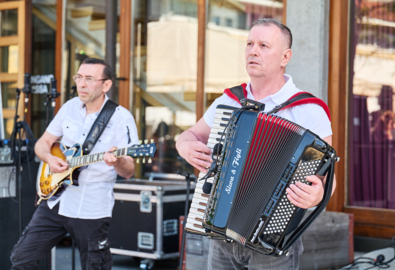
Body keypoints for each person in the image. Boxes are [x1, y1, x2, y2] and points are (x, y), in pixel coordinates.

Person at [176, 18, 336, 270]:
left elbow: (328, 180)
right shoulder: (228, 100)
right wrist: (184, 146)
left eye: (264, 45)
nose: (253, 50)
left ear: (285, 57)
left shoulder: (308, 109)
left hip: (271, 241)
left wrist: (316, 195)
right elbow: (189, 135)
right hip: (220, 233)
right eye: (249, 43)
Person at [10, 58, 139, 269]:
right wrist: (50, 158)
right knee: (21, 259)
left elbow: (129, 170)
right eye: (79, 77)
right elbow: (42, 143)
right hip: (55, 200)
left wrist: (117, 162)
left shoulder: (121, 118)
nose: (81, 83)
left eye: (89, 78)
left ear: (106, 85)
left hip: (91, 210)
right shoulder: (69, 107)